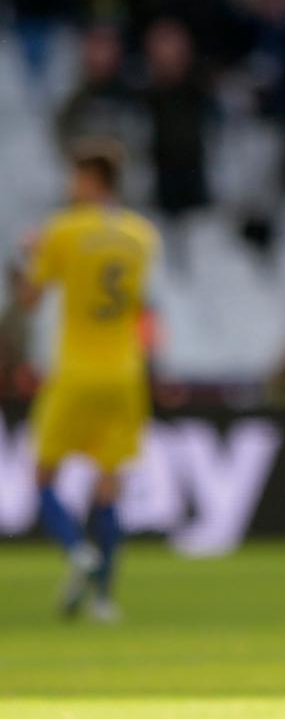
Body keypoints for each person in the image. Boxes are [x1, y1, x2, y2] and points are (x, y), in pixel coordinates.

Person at [20, 141, 160, 621]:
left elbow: (30, 299)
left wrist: (27, 258)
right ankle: (103, 600)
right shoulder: (142, 235)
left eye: (74, 178)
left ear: (90, 181)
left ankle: (78, 550)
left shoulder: (61, 231)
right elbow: (139, 303)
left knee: (42, 475)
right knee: (108, 484)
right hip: (125, 372)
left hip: (76, 369)